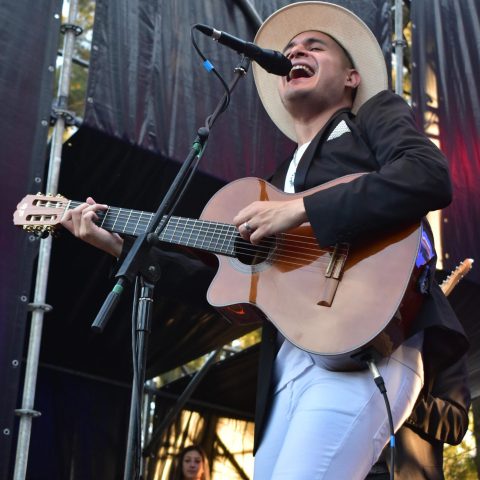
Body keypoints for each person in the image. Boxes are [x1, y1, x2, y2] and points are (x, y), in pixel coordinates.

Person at [60, 2, 469, 478]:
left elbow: (427, 176)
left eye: (315, 46)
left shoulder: (372, 117)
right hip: (288, 365)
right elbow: (217, 287)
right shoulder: (274, 182)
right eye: (290, 48)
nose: (296, 51)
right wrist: (121, 247)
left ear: (352, 78)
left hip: (367, 349)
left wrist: (301, 210)